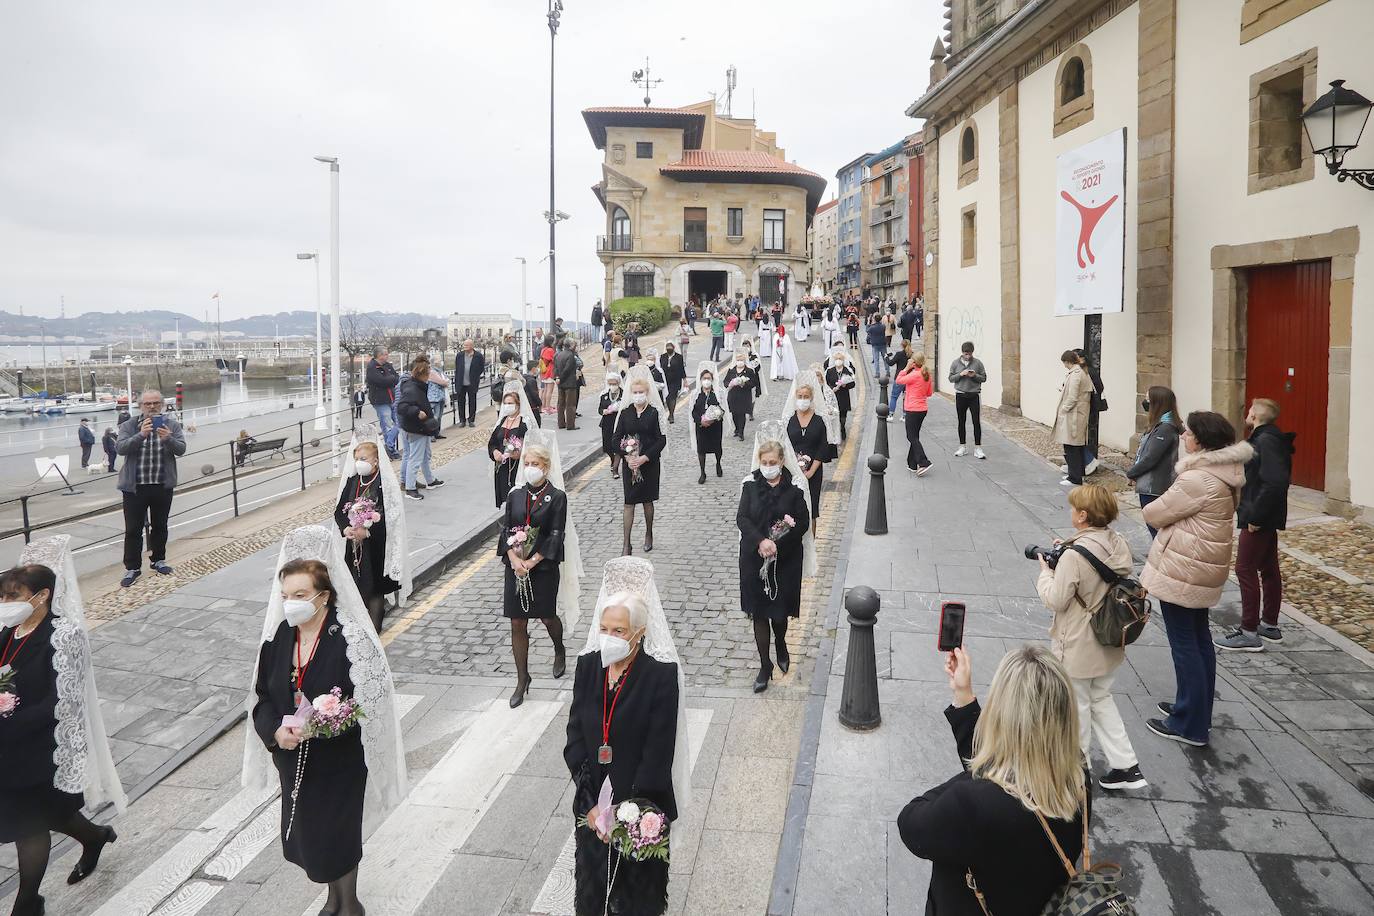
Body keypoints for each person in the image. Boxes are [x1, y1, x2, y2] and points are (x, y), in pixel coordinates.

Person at [245, 526, 407, 916]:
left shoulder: (349, 638)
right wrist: (274, 732)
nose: (290, 604)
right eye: (285, 596)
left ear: (324, 595)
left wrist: (322, 724)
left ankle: (348, 905)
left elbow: (369, 701)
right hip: (292, 758)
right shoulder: (280, 637)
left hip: (338, 765)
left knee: (337, 838)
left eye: (300, 596)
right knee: (311, 837)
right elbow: (263, 698)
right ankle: (334, 899)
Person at [898, 646, 1091, 916]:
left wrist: (968, 782)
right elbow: (1008, 765)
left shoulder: (973, 804)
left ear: (1002, 713)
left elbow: (910, 823)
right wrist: (963, 697)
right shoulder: (1077, 775)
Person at [1, 537, 127, 916]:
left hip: (40, 746)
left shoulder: (63, 634)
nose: (5, 604)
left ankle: (27, 903)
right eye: (2, 597)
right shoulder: (8, 632)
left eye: (12, 596)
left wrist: (11, 722)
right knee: (50, 813)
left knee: (29, 825)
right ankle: (96, 836)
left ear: (41, 595)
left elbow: (63, 701)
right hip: (8, 745)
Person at [564, 557, 688, 916]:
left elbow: (657, 756)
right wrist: (591, 806)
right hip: (592, 812)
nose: (609, 637)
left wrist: (623, 815)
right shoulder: (588, 667)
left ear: (640, 632)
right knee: (593, 896)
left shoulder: (660, 678)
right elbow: (575, 740)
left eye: (618, 631)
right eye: (604, 628)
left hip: (641, 813)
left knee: (636, 902)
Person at [1141, 411, 1251, 748]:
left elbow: (1154, 512)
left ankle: (1189, 723)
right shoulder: (1224, 472)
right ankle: (1196, 710)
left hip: (1185, 569)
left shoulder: (1198, 479)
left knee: (1185, 644)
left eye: (1188, 433)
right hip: (1201, 566)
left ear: (1200, 440)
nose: (1184, 436)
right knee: (1199, 640)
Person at [1036, 485, 1147, 791]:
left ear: (1082, 516)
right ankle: (1126, 766)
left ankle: (1076, 772)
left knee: (1077, 706)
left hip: (1078, 645)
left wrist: (1046, 572)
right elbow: (1096, 567)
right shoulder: (1117, 542)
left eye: (1073, 509)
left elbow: (1057, 600)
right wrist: (1068, 549)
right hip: (1109, 640)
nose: (1070, 512)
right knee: (1100, 699)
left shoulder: (1074, 556)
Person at [500, 432, 583, 707]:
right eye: (526, 462)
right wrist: (514, 559)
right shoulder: (515, 495)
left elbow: (555, 535)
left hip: (542, 567)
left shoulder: (557, 497)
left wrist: (532, 561)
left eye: (535, 463)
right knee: (517, 621)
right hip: (516, 567)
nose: (529, 467)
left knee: (547, 617)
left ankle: (559, 649)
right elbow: (505, 530)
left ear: (545, 467)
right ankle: (522, 678)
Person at [737, 425, 815, 692]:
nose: (768, 466)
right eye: (764, 462)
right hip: (754, 558)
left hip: (786, 560)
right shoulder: (749, 484)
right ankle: (764, 664)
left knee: (779, 613)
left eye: (773, 462)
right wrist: (762, 541)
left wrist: (778, 545)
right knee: (758, 613)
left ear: (782, 461)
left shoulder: (794, 488)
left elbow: (803, 523)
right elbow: (742, 518)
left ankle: (781, 643)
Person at [1216, 398, 1295, 652]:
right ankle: (1269, 625)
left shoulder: (1265, 441)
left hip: (1259, 516)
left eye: (1250, 410)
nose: (1247, 412)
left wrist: (1256, 518)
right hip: (1264, 515)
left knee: (1244, 569)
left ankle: (1249, 631)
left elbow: (1274, 482)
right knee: (1269, 568)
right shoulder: (1266, 438)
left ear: (1256, 416)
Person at [334, 428, 411, 631]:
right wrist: (347, 529)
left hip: (377, 544)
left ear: (376, 460)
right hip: (354, 545)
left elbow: (391, 514)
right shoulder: (353, 481)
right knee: (356, 586)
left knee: (375, 588)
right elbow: (339, 512)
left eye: (364, 457)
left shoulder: (383, 483)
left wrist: (368, 531)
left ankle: (375, 629)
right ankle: (359, 627)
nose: (360, 462)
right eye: (357, 458)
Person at [115, 389, 186, 588]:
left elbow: (181, 449)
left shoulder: (171, 425)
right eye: (148, 404)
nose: (152, 407)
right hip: (134, 487)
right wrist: (141, 435)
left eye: (156, 403)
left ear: (162, 405)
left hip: (162, 485)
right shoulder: (129, 425)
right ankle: (132, 567)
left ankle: (158, 560)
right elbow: (121, 449)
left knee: (160, 525)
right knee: (133, 530)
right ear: (140, 406)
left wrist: (168, 439)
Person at [612, 368, 667, 555]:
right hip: (630, 465)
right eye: (635, 393)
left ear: (647, 393)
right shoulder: (626, 413)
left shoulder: (653, 412)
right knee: (629, 503)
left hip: (649, 464)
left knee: (647, 502)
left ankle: (649, 533)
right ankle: (626, 544)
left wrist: (644, 457)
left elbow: (661, 440)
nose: (637, 396)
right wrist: (627, 457)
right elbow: (616, 438)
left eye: (640, 392)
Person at [1126, 386, 1182, 538]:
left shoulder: (1165, 429)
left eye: (1148, 399)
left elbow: (1151, 458)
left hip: (1154, 486)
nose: (1145, 402)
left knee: (1156, 529)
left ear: (1157, 403)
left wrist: (1132, 473)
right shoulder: (1159, 426)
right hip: (1150, 485)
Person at [783, 371, 833, 534]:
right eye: (800, 396)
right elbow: (785, 445)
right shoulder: (790, 420)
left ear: (811, 399)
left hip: (813, 472)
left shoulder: (819, 421)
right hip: (792, 471)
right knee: (791, 507)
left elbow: (823, 447)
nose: (802, 399)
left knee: (811, 509)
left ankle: (811, 543)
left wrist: (811, 471)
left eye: (806, 396)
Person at [396, 357, 443, 499]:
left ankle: (430, 480)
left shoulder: (412, 385)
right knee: (415, 458)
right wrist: (417, 412)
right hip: (417, 428)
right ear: (423, 374)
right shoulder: (413, 389)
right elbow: (402, 407)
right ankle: (410, 488)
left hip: (418, 428)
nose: (429, 375)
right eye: (428, 373)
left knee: (424, 455)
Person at [1053, 350, 1092, 486]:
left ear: (1067, 361)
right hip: (1075, 414)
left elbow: (1073, 397)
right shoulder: (1079, 372)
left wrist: (1064, 409)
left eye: (1064, 363)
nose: (1064, 365)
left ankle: (1074, 478)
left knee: (1071, 447)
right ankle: (1075, 474)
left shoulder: (1076, 374)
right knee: (1074, 446)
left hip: (1073, 415)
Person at [490, 384, 531, 507]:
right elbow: (492, 443)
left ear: (518, 404)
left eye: (510, 403)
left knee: (519, 501)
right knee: (506, 500)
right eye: (506, 403)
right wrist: (494, 452)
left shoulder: (524, 422)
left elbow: (531, 443)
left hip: (517, 468)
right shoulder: (502, 421)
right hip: (502, 468)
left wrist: (520, 454)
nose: (508, 406)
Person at [947, 341, 988, 460]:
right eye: (966, 354)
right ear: (962, 353)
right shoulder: (955, 363)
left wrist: (974, 375)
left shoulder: (978, 363)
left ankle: (978, 448)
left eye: (969, 354)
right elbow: (950, 378)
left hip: (974, 395)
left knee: (976, 421)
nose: (968, 356)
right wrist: (960, 374)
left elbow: (984, 378)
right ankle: (962, 446)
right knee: (961, 421)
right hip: (960, 395)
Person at [895, 353, 934, 476]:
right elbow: (929, 393)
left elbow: (898, 381)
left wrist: (906, 368)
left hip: (913, 409)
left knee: (911, 437)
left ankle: (924, 462)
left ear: (914, 363)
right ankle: (912, 464)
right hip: (922, 409)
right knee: (915, 436)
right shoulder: (926, 374)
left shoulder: (914, 375)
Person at [689, 361, 725, 484]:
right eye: (704, 378)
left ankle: (718, 463)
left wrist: (714, 418)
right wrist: (700, 421)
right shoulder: (696, 394)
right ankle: (702, 472)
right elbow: (693, 411)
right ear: (700, 380)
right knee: (701, 449)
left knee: (717, 448)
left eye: (708, 378)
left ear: (712, 379)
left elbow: (723, 409)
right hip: (701, 427)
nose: (706, 381)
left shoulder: (718, 393)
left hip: (715, 427)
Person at [1074, 349, 1106, 475]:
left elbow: (1099, 387)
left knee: (1079, 437)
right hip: (1085, 407)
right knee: (1078, 437)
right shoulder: (1081, 371)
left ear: (1081, 359)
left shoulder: (1089, 371)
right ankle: (1079, 463)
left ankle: (1089, 461)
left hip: (1088, 408)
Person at [365, 346, 400, 451]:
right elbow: (381, 381)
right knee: (387, 424)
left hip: (392, 398)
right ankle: (391, 450)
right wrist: (390, 379)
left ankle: (389, 444)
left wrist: (389, 379)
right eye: (386, 354)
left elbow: (396, 378)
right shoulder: (372, 368)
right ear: (380, 355)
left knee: (399, 422)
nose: (387, 356)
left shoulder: (387, 365)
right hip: (380, 400)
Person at [723, 351, 758, 441]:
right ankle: (737, 429)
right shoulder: (732, 370)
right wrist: (730, 384)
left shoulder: (749, 371)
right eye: (738, 360)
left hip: (744, 396)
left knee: (741, 414)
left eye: (741, 360)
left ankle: (741, 432)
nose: (740, 362)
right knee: (734, 414)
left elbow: (753, 383)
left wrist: (744, 384)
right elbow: (725, 381)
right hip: (733, 395)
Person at [453, 338, 487, 428]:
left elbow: (481, 368)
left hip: (472, 382)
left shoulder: (478, 356)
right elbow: (457, 368)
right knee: (461, 402)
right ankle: (462, 420)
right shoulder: (459, 355)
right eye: (464, 345)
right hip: (461, 382)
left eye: (466, 345)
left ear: (472, 346)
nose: (464, 347)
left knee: (472, 401)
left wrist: (474, 376)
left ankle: (471, 420)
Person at [824, 347, 856, 441]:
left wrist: (845, 385)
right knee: (834, 416)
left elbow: (853, 383)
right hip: (834, 397)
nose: (838, 361)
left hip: (843, 397)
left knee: (842, 417)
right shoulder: (830, 371)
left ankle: (842, 429)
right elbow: (826, 383)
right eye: (837, 359)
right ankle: (834, 432)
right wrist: (831, 389)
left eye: (840, 359)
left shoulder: (846, 370)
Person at [598, 368, 625, 478]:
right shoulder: (604, 394)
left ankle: (615, 469)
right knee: (608, 447)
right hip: (607, 423)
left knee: (617, 446)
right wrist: (603, 411)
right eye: (610, 383)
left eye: (614, 383)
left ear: (618, 383)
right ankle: (612, 459)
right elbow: (600, 409)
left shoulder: (623, 394)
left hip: (619, 422)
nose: (612, 385)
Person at [555, 339, 581, 430]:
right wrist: (561, 378)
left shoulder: (559, 354)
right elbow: (567, 369)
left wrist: (558, 378)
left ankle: (561, 423)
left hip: (560, 383)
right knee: (570, 405)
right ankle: (570, 425)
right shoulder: (570, 355)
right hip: (569, 383)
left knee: (560, 404)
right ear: (571, 345)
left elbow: (556, 368)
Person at [885, 338, 913, 420]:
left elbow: (890, 363)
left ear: (902, 345)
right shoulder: (912, 355)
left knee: (894, 397)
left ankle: (891, 415)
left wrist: (886, 357)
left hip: (899, 378)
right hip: (909, 379)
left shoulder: (899, 354)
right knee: (905, 397)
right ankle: (904, 416)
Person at [659, 342, 686, 424]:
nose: (669, 349)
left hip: (675, 380)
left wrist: (685, 380)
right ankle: (670, 411)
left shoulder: (679, 357)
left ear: (673, 348)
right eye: (667, 347)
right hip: (665, 381)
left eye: (670, 347)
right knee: (667, 398)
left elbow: (682, 369)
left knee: (673, 397)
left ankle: (671, 415)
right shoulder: (662, 357)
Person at [424, 357, 450, 440]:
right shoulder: (432, 372)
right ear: (434, 362)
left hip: (440, 396)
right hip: (434, 397)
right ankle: (431, 434)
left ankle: (436, 432)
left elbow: (446, 381)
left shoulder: (439, 371)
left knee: (439, 416)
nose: (440, 361)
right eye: (438, 360)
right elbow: (442, 382)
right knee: (435, 416)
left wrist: (445, 382)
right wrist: (445, 382)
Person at [522, 359, 544, 426]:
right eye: (538, 367)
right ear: (534, 369)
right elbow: (534, 394)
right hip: (533, 406)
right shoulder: (531, 380)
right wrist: (540, 403)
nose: (539, 369)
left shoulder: (524, 378)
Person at [539, 338, 558, 415]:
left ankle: (544, 406)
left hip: (544, 372)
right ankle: (547, 407)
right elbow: (554, 360)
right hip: (550, 371)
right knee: (549, 390)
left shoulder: (543, 349)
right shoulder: (550, 350)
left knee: (545, 390)